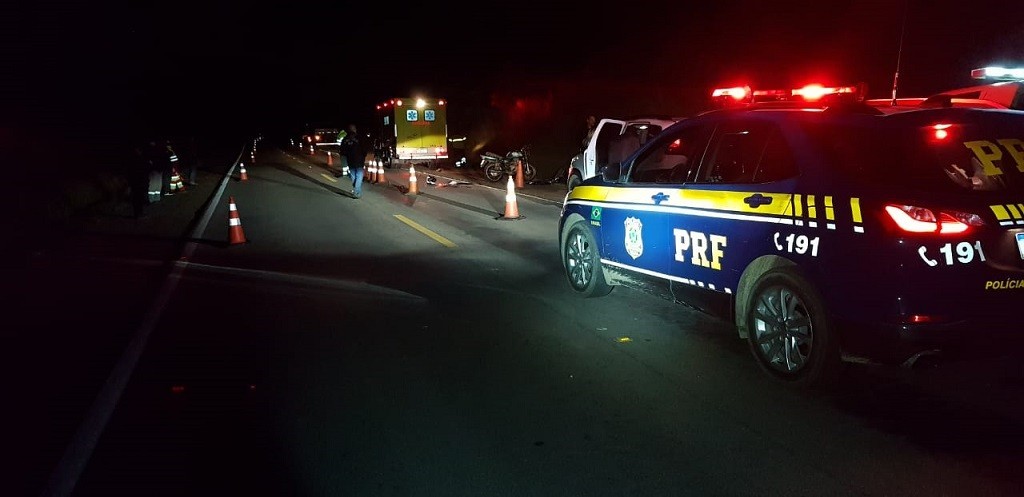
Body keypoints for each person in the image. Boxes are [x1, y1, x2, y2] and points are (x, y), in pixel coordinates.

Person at [339, 123, 365, 198]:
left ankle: (356, 189)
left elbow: (342, 150)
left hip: (350, 160)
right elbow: (364, 148)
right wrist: (363, 155)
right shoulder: (359, 137)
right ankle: (357, 192)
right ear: (354, 129)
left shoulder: (345, 139)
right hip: (359, 160)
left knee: (353, 175)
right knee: (359, 175)